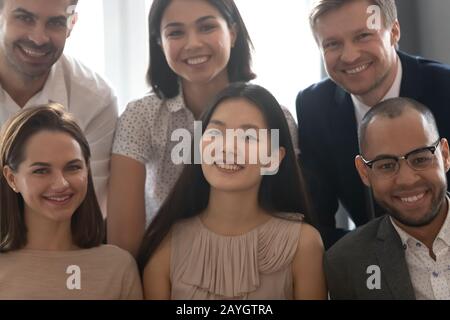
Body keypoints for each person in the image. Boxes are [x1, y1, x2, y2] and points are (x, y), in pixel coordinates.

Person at [108, 0, 299, 256]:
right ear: (159, 42)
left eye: (207, 27)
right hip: (161, 267)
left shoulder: (276, 118)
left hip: (256, 261)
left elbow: (284, 211)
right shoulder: (141, 117)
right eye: (175, 32)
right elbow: (123, 248)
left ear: (232, 33)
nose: (193, 43)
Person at [138, 83, 326, 300]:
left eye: (248, 138)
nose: (227, 147)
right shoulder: (165, 245)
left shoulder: (303, 244)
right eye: (216, 133)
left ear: (275, 157)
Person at [296, 0, 450, 249]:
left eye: (363, 36)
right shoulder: (314, 105)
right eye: (333, 43)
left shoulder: (445, 88)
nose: (350, 55)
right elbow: (316, 219)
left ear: (395, 32)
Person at [0, 104, 142, 299]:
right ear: (11, 178)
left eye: (73, 167)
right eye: (41, 170)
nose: (61, 184)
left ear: (87, 169)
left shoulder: (118, 268)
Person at [325, 97, 450, 300]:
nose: (407, 180)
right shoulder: (345, 262)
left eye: (420, 159)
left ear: (444, 155)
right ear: (364, 172)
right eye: (386, 165)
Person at [0, 0, 118, 213]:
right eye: (24, 18)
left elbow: (88, 209)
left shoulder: (95, 99)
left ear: (71, 24)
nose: (38, 38)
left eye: (55, 22)